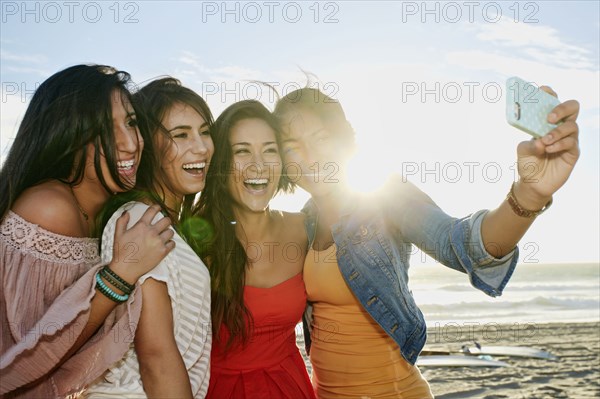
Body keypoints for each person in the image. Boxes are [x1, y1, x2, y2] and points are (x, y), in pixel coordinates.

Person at [273, 86, 580, 398]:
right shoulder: (305, 223)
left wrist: (528, 194)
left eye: (321, 139)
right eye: (292, 147)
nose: (309, 157)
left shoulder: (382, 196)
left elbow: (457, 243)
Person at [0, 64, 174, 398]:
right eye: (104, 129)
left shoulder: (101, 211)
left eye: (131, 122)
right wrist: (121, 274)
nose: (130, 143)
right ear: (69, 136)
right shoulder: (49, 208)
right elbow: (29, 358)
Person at [84, 77, 214, 398]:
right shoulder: (143, 222)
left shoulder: (160, 221)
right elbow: (155, 360)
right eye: (181, 135)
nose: (201, 147)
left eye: (205, 131)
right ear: (148, 145)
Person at [194, 100, 315, 398]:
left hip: (291, 387)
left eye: (270, 150)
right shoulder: (194, 241)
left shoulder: (304, 229)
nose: (258, 165)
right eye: (242, 151)